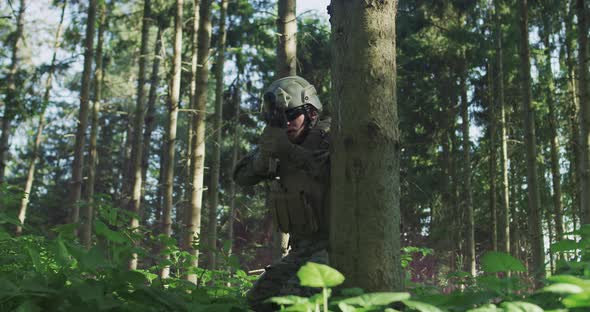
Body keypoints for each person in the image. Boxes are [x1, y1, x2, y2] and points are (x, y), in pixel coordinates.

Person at [233, 76, 331, 311]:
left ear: (311, 112)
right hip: (301, 249)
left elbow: (328, 172)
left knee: (292, 300)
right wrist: (264, 157)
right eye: (277, 118)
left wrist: (290, 152)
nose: (286, 123)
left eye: (291, 114)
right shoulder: (278, 141)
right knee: (259, 301)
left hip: (334, 249)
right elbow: (241, 176)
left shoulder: (329, 139)